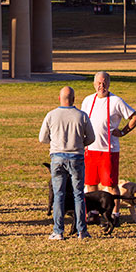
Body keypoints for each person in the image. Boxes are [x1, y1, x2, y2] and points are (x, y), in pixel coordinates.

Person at [81, 71, 136, 218]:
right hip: (90, 149)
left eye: (104, 83)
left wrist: (123, 132)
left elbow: (135, 117)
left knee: (111, 185)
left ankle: (115, 214)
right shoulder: (88, 100)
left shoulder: (116, 101)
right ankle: (93, 212)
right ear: (94, 84)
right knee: (90, 184)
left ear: (109, 83)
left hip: (109, 150)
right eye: (99, 83)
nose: (101, 86)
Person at [39, 85, 95, 240]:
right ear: (74, 99)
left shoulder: (51, 115)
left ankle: (58, 230)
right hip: (76, 157)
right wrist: (79, 142)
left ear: (59, 98)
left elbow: (42, 138)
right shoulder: (81, 116)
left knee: (59, 195)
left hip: (57, 157)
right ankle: (81, 230)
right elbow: (91, 138)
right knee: (78, 194)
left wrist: (55, 142)